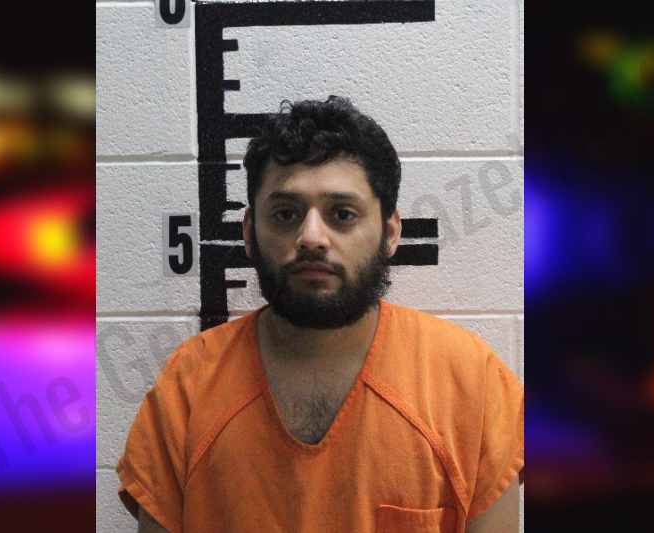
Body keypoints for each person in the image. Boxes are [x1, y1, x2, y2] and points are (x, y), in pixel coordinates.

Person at [117, 96, 524, 533]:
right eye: (285, 214)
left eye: (342, 214)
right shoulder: (187, 387)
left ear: (390, 233)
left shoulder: (473, 384)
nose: (311, 237)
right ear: (249, 233)